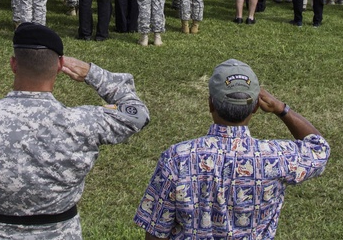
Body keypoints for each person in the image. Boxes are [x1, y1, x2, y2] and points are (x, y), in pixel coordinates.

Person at [0, 23, 149, 240]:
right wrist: (92, 73)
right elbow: (137, 115)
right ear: (59, 66)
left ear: (13, 64)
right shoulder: (81, 122)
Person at [134, 59, 330, 240]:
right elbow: (319, 148)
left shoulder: (177, 158)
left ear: (211, 103)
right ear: (255, 108)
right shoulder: (275, 157)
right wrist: (281, 109)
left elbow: (156, 230)